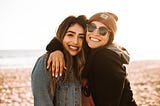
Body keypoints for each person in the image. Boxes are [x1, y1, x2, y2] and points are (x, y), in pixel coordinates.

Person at [46, 12, 137, 106]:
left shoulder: (106, 58)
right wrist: (56, 50)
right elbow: (60, 39)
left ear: (110, 36)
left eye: (102, 31)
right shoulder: (91, 48)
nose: (95, 33)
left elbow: (109, 102)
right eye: (91, 27)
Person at [31, 15, 87, 106]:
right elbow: (42, 102)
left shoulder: (80, 63)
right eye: (70, 35)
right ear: (62, 35)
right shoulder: (46, 62)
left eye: (81, 37)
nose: (76, 41)